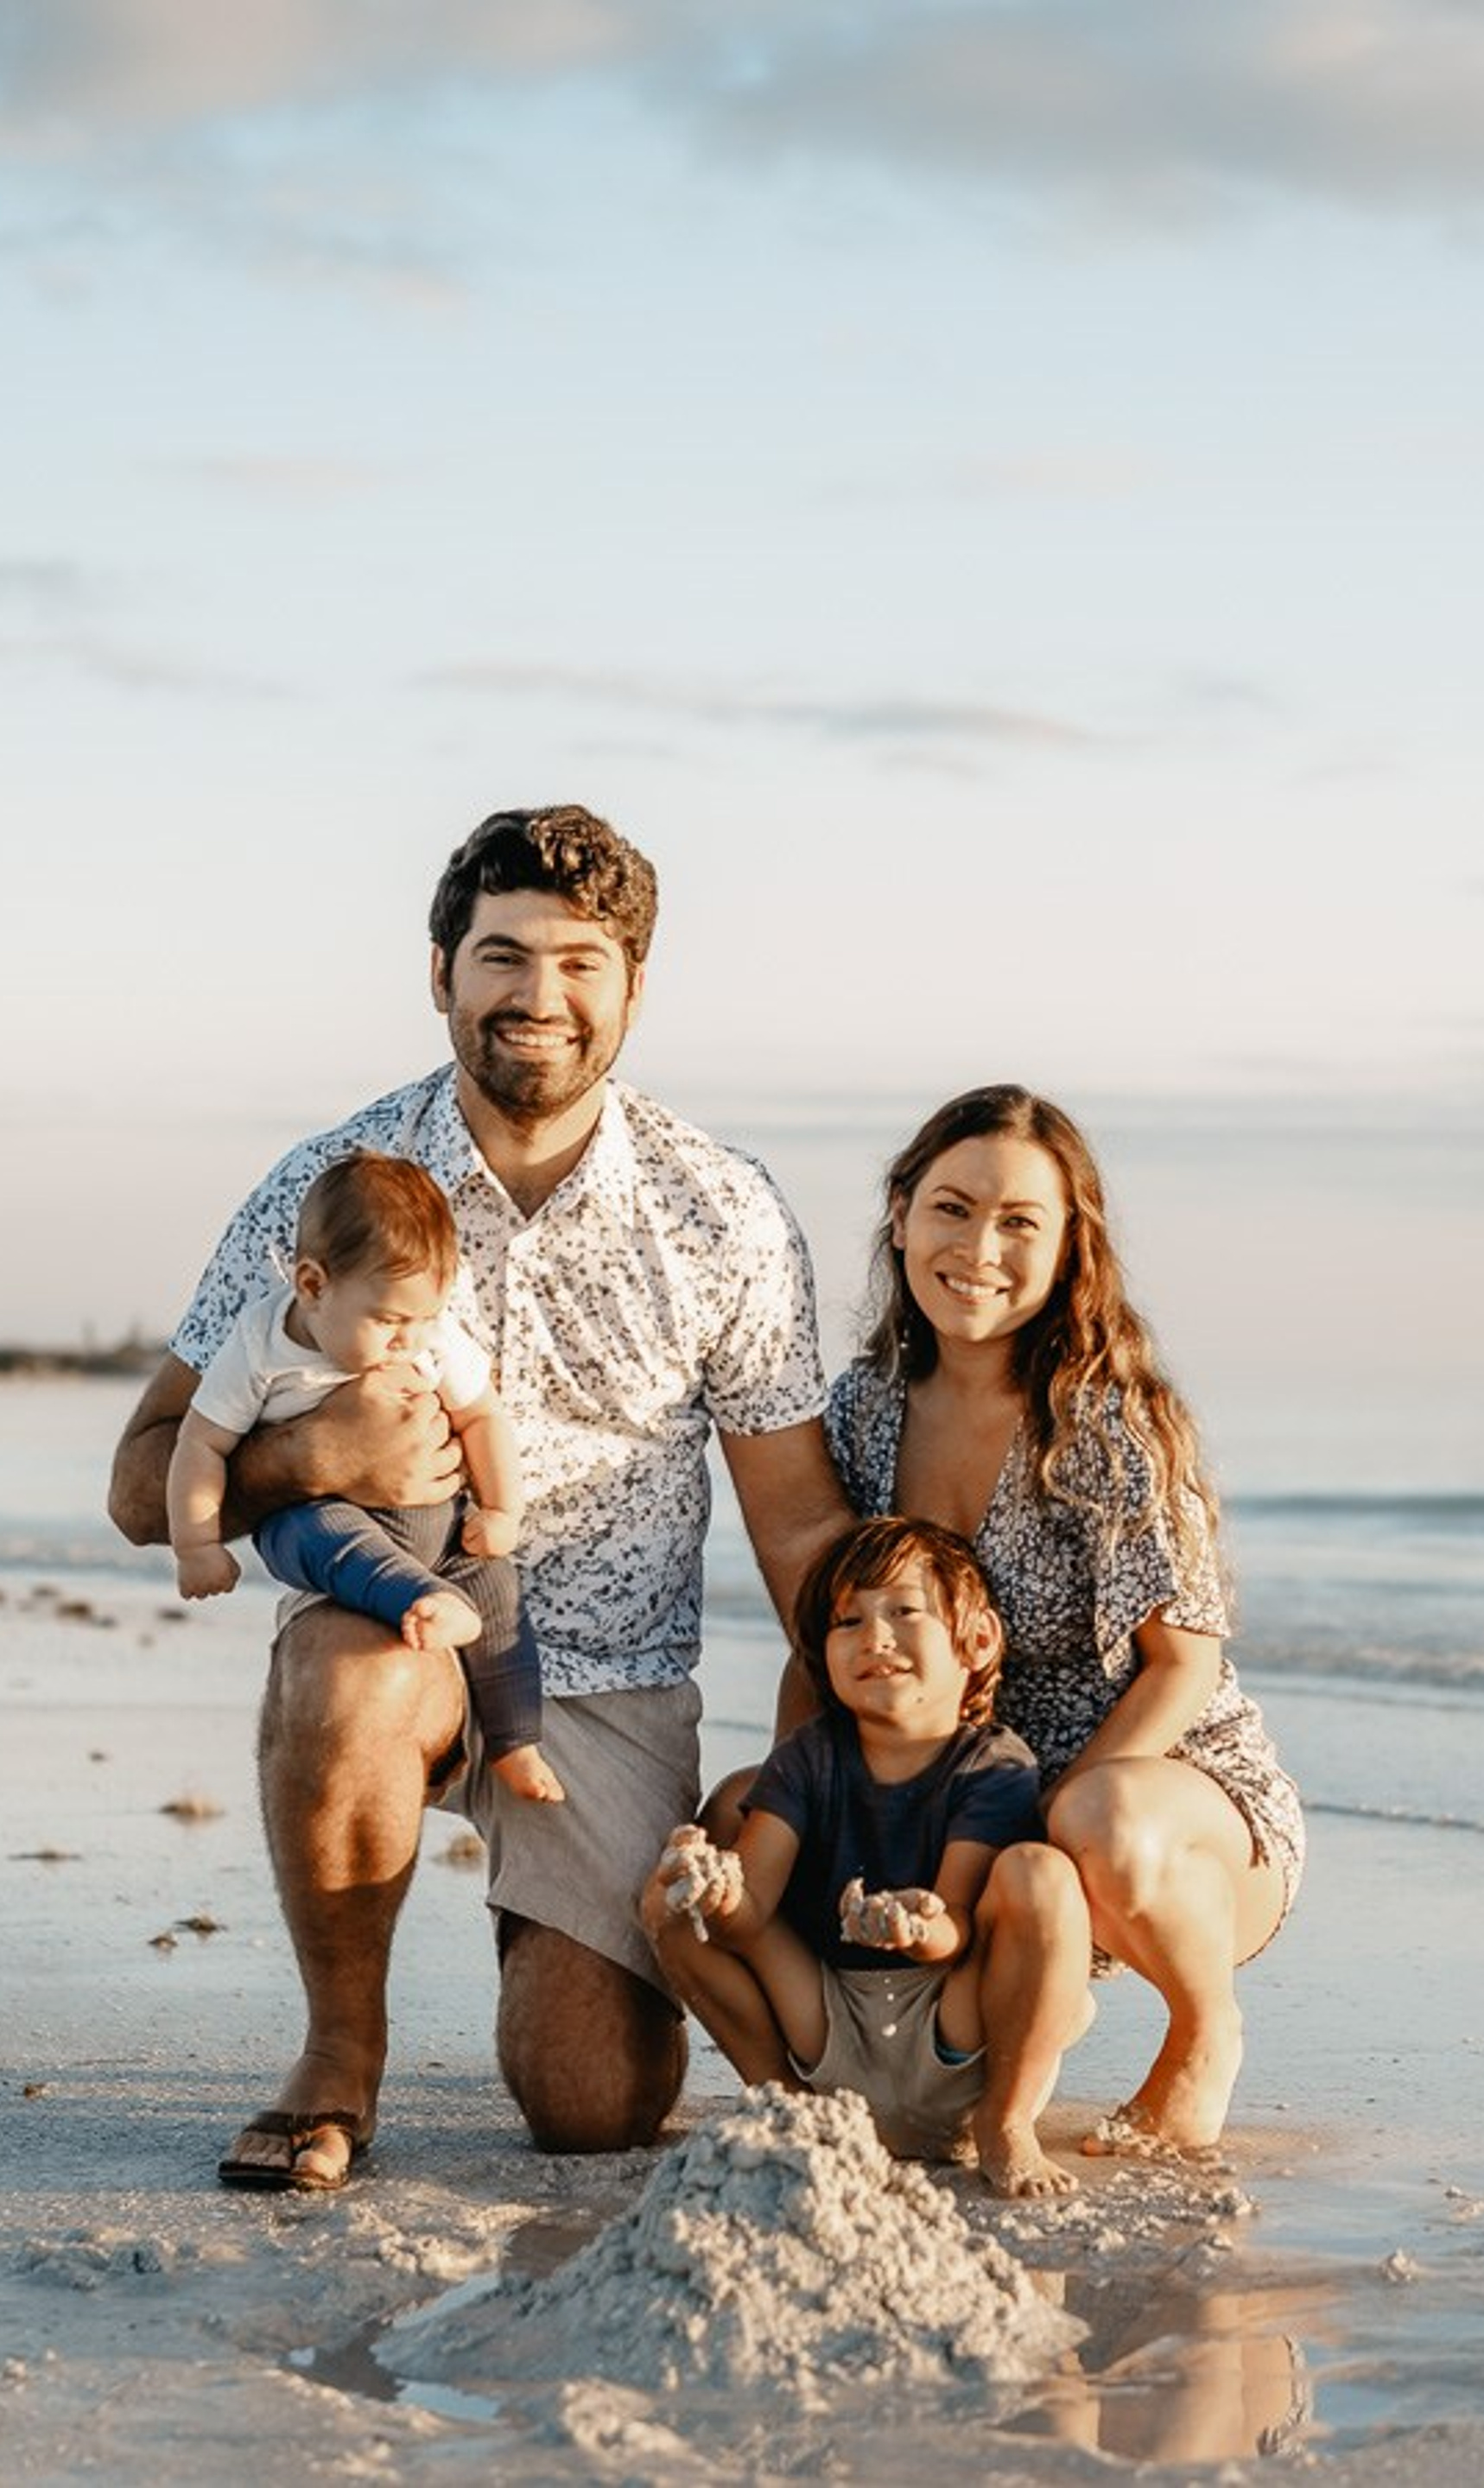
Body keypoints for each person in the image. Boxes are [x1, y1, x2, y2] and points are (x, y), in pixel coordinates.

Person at [109, 804, 849, 2192]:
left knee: (593, 2106)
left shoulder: (725, 1210)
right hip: (396, 1633)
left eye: (581, 962)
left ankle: (546, 1915)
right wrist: (316, 1463)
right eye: (502, 955)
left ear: (635, 988)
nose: (539, 997)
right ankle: (341, 2055)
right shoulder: (329, 1188)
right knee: (348, 1671)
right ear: (440, 969)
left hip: (611, 1682)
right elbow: (142, 1485)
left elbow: (800, 1524)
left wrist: (877, 1749)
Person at [817, 1083, 1305, 2151]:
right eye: (952, 1208)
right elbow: (855, 1631)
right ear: (900, 1214)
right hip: (982, 1803)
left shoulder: (1103, 1419)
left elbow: (1183, 1667)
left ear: (1068, 1246)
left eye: (1019, 1222)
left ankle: (1203, 2029)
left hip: (1171, 1806)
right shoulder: (864, 1410)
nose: (978, 1247)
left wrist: (1048, 1810)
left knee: (1100, 1824)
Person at [642, 1516, 1092, 2196]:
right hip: (827, 2023)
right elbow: (749, 1916)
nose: (874, 1637)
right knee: (667, 1899)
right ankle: (788, 2105)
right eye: (847, 1621)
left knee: (1042, 1875)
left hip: (953, 2029)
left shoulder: (991, 1767)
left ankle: (1006, 2121)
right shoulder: (809, 1757)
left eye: (904, 1611)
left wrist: (917, 1928)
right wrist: (720, 1889)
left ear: (977, 1640)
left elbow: (959, 1930)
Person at [168, 1150, 562, 1807]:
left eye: (425, 1318)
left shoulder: (430, 1336)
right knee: (327, 1534)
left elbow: (482, 1415)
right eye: (388, 1321)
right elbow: (200, 1441)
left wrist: (502, 1510)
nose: (411, 1341)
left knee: (499, 1591)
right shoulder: (262, 1347)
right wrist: (197, 1544)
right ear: (313, 1286)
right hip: (320, 1518)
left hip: (439, 1529)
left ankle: (517, 1741)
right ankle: (415, 1600)